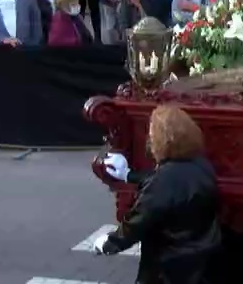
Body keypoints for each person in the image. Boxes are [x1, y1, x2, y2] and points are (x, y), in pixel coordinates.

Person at [95, 106, 223, 284]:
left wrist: (111, 243)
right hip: (201, 258)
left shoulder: (164, 180)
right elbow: (167, 183)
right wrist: (128, 175)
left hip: (169, 266)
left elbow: (139, 219)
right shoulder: (202, 166)